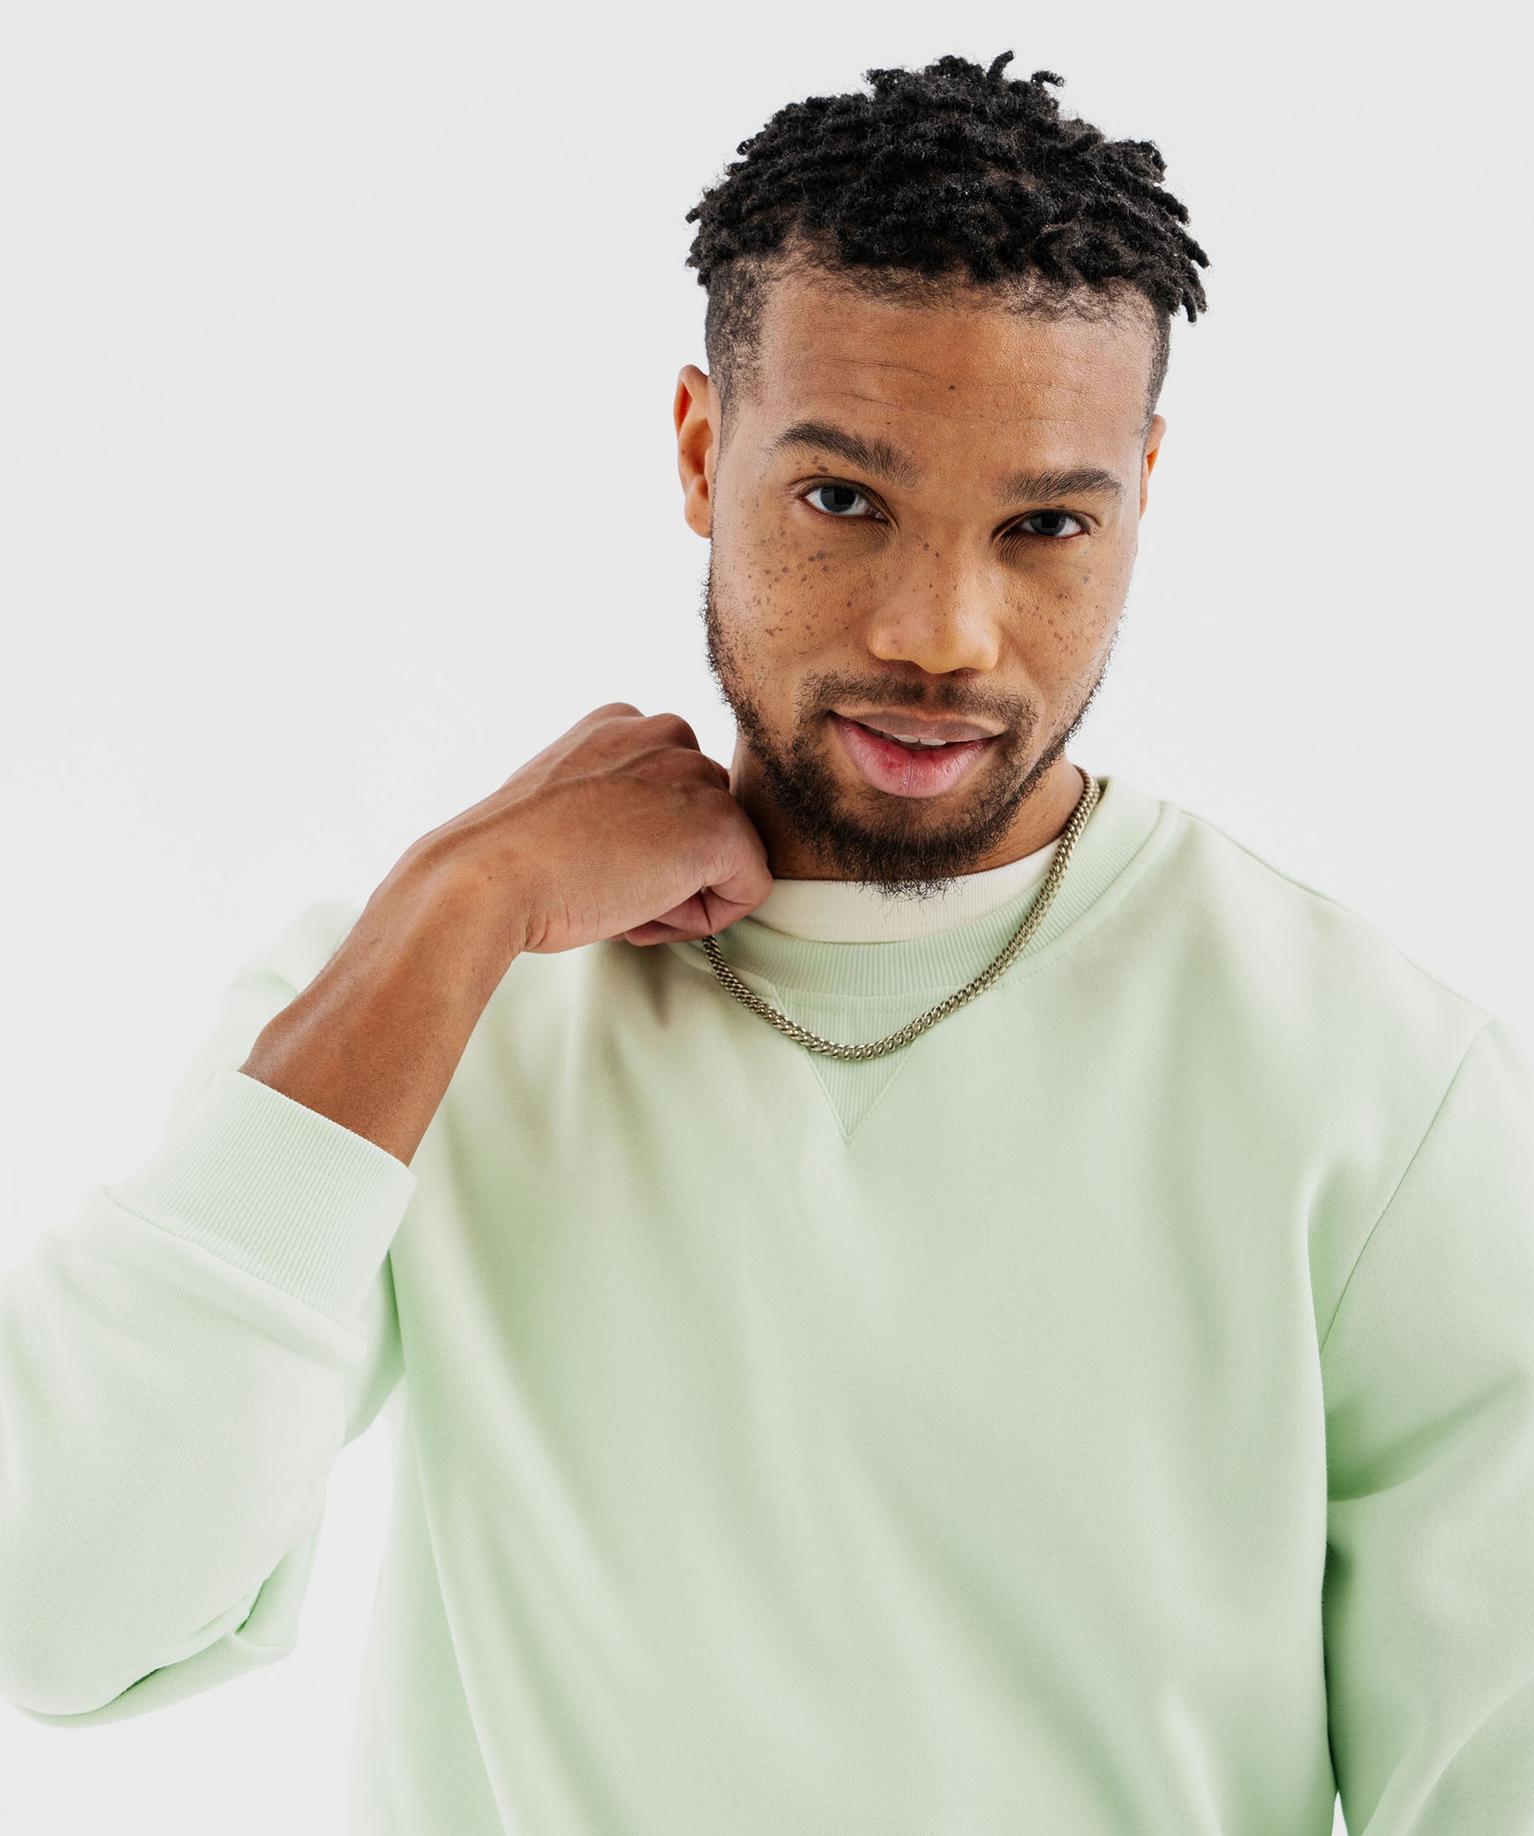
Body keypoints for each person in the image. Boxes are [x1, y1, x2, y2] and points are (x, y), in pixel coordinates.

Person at [3, 49, 1531, 1836]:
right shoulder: (425, 1005)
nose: (939, 633)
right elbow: (66, 1608)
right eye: (843, 501)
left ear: (1140, 489)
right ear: (699, 451)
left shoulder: (1369, 1080)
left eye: (1043, 525)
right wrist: (456, 910)